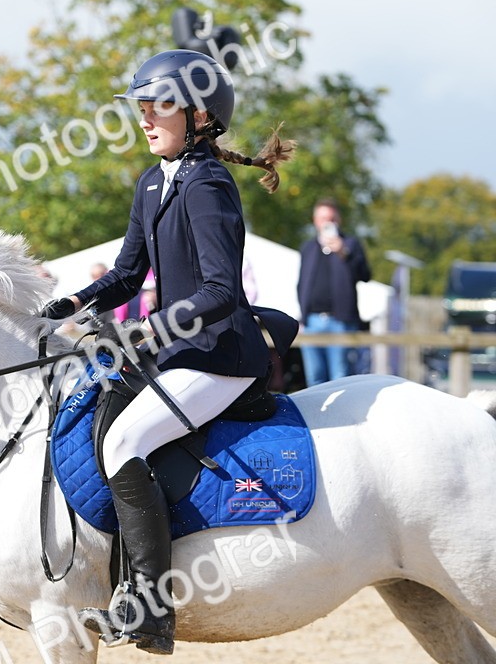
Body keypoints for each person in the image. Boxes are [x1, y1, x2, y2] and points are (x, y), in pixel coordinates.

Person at [39, 50, 295, 653]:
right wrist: (69, 302)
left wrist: (146, 332)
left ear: (200, 115)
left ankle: (151, 606)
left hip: (219, 355)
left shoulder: (208, 185)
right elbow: (128, 275)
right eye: (142, 108)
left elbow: (219, 291)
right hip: (178, 350)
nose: (146, 118)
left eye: (159, 107)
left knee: (125, 441)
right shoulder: (153, 181)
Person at [296, 198, 372, 386]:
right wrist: (303, 318)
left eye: (331, 218)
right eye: (323, 218)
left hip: (341, 321)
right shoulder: (308, 247)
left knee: (340, 377)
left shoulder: (351, 244)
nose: (327, 223)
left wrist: (344, 252)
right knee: (315, 379)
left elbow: (365, 275)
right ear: (315, 220)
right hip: (312, 322)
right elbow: (301, 284)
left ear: (339, 220)